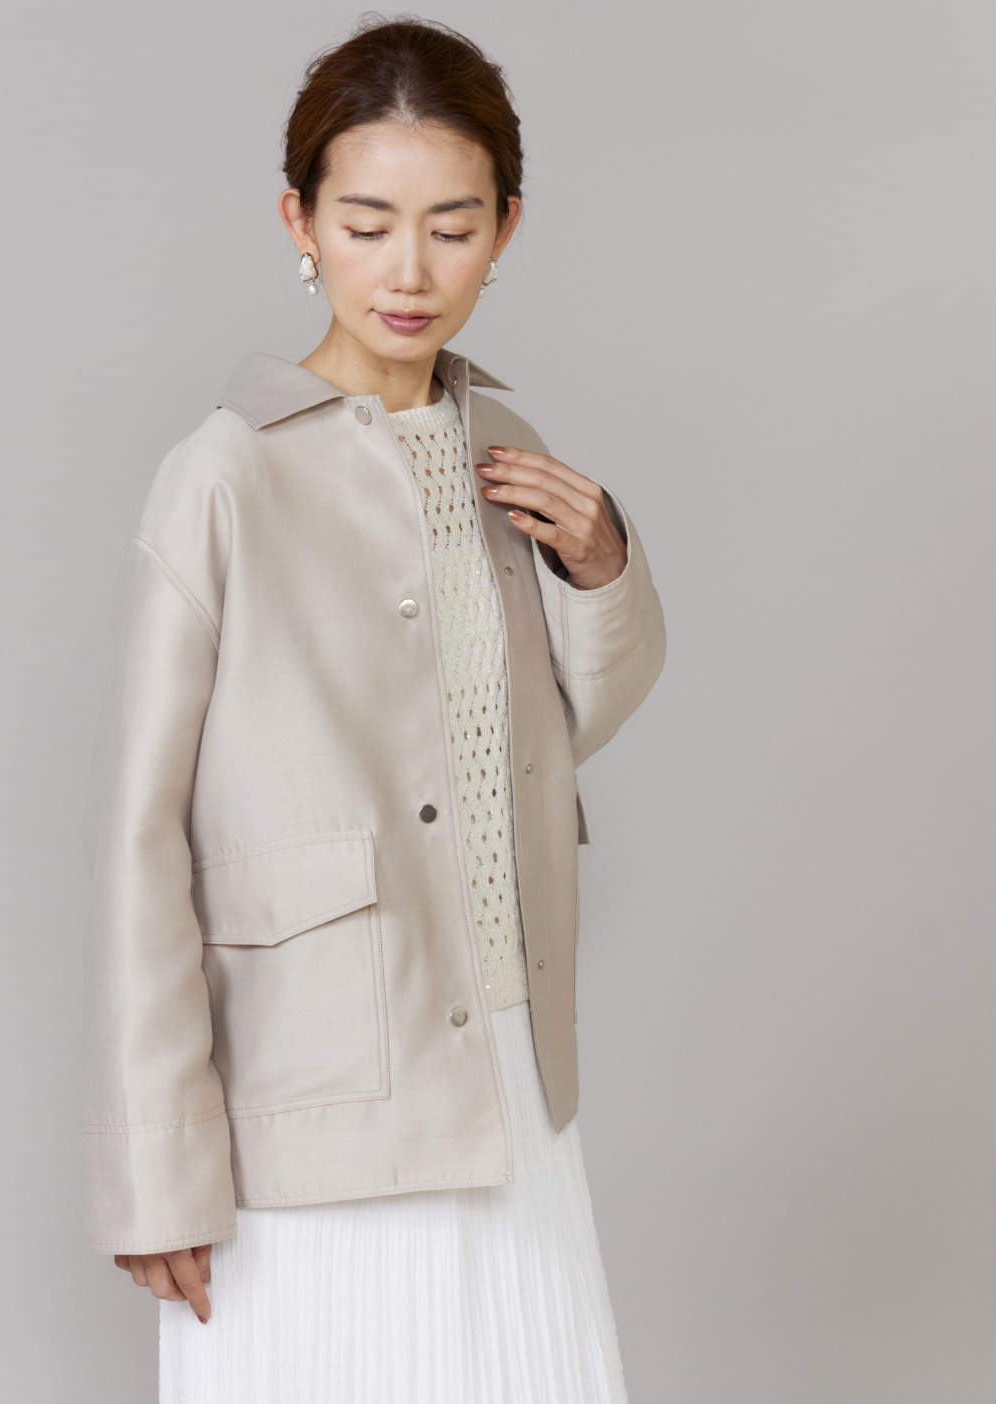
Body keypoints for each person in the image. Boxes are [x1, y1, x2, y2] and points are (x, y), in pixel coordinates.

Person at [80, 16, 666, 1403]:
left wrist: (602, 567)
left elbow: (550, 734)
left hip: (507, 1059)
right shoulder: (223, 476)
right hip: (314, 1085)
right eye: (367, 224)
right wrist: (157, 1164)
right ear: (300, 222)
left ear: (505, 230)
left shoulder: (507, 449)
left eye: (452, 228)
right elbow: (140, 838)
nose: (409, 271)